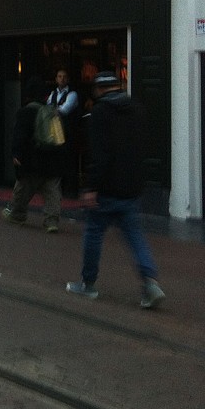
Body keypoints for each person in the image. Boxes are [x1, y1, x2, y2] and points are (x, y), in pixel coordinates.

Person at [65, 71, 165, 309]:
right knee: (134, 235)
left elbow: (100, 154)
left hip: (107, 188)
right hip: (131, 186)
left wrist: (91, 187)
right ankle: (150, 282)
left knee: (94, 233)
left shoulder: (100, 113)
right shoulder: (137, 109)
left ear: (99, 90)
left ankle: (88, 284)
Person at [2, 77, 64, 232]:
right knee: (52, 191)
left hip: (32, 158)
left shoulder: (26, 111)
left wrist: (16, 154)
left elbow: (19, 135)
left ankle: (17, 214)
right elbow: (60, 137)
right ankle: (52, 221)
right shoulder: (52, 112)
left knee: (24, 188)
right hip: (52, 158)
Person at [47, 68, 81, 198]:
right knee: (58, 161)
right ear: (56, 79)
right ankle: (58, 189)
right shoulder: (53, 94)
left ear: (68, 79)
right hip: (56, 133)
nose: (62, 79)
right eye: (59, 76)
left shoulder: (72, 94)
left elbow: (64, 110)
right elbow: (48, 108)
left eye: (64, 76)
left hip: (69, 133)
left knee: (70, 161)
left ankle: (71, 191)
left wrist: (53, 110)